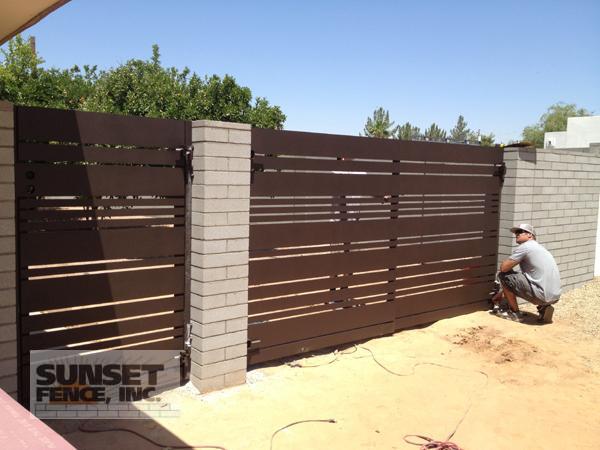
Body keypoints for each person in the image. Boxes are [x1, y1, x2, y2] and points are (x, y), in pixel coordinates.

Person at [491, 223, 561, 323]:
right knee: (518, 277)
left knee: (503, 275)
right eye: (516, 233)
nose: (517, 234)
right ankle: (544, 308)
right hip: (555, 296)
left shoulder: (526, 247)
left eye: (520, 232)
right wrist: (502, 293)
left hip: (541, 295)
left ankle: (515, 313)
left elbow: (503, 268)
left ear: (530, 235)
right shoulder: (541, 248)